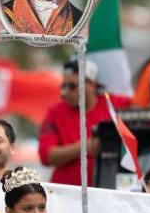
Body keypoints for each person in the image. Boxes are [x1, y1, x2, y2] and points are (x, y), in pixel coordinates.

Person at [38, 58, 127, 187]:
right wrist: (85, 146)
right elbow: (46, 156)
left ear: (92, 84)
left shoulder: (116, 104)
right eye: (64, 86)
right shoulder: (55, 112)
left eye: (73, 86)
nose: (66, 92)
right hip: (66, 193)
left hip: (108, 191)